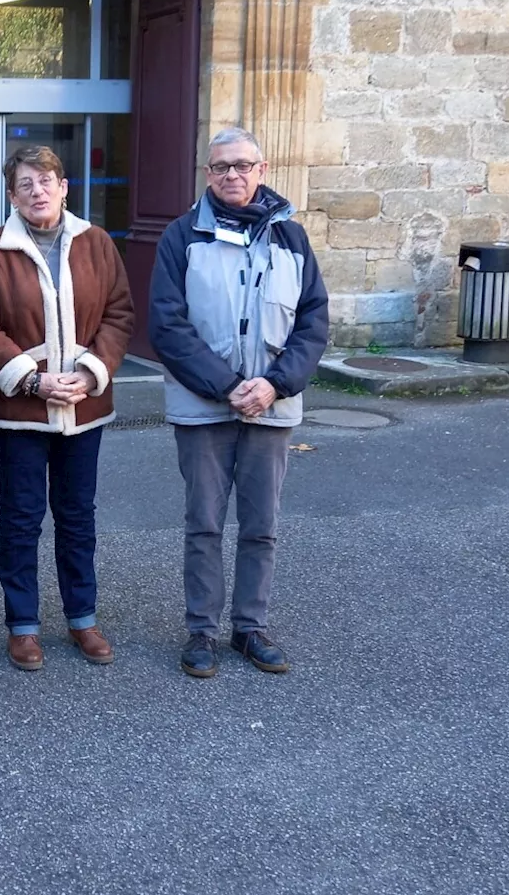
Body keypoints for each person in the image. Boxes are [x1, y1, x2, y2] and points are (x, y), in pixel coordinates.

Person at [148, 127, 329, 679]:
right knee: (204, 523)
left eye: (242, 165)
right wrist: (227, 385)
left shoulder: (291, 239)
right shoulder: (181, 237)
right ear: (207, 174)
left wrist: (275, 384)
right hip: (204, 407)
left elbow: (313, 322)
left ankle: (250, 627)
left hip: (272, 407)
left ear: (262, 169)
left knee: (261, 525)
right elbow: (167, 324)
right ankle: (201, 631)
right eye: (221, 167)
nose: (232, 175)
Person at [0, 145, 133, 671]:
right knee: (20, 516)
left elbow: (119, 313)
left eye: (46, 180)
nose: (37, 191)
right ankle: (23, 625)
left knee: (77, 515)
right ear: (11, 195)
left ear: (64, 187)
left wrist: (90, 373)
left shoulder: (98, 244)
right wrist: (32, 380)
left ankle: (82, 618)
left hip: (84, 405)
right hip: (20, 410)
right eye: (24, 184)